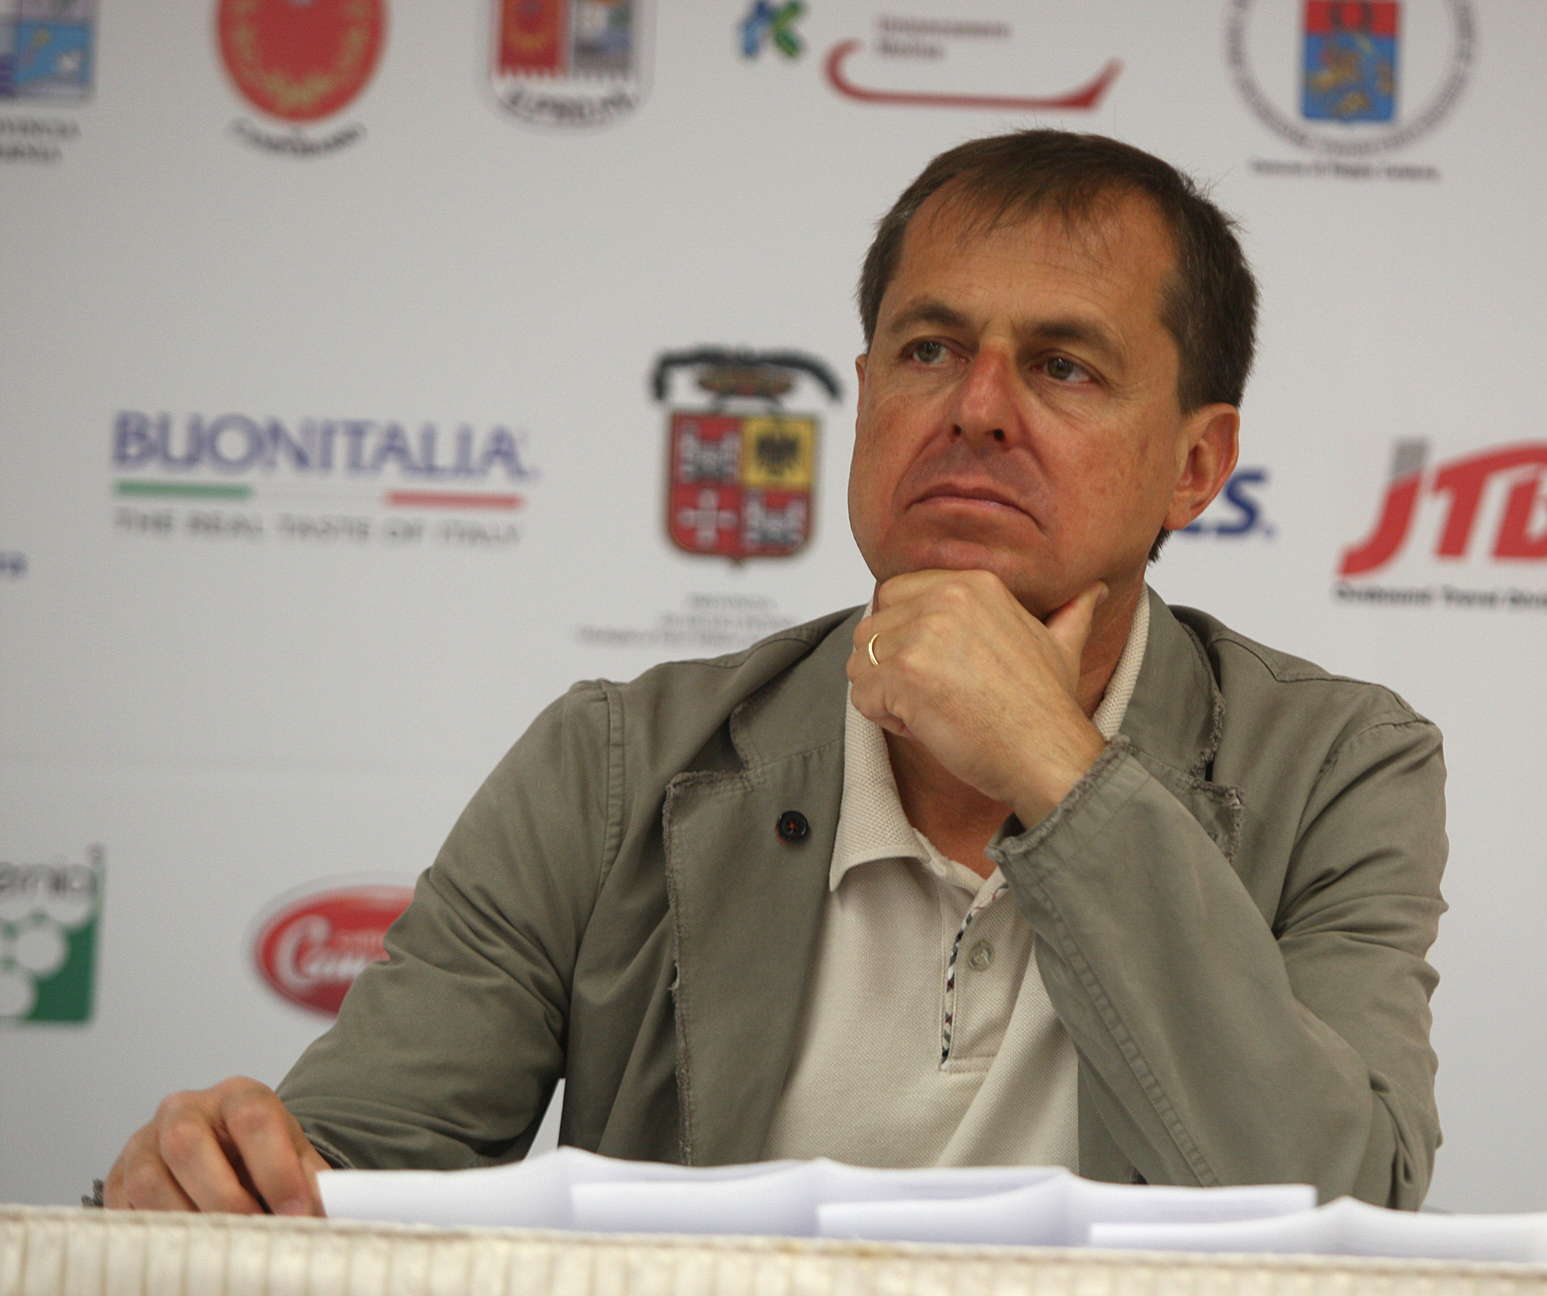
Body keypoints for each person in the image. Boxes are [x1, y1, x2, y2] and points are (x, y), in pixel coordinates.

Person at [103, 130, 1447, 1218]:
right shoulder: (616, 763)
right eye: (929, 351)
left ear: (1196, 466)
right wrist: (226, 1179)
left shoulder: (1337, 767)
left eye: (1062, 366)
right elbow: (352, 1169)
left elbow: (1342, 1211)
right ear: (866, 395)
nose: (977, 408)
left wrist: (1060, 772)